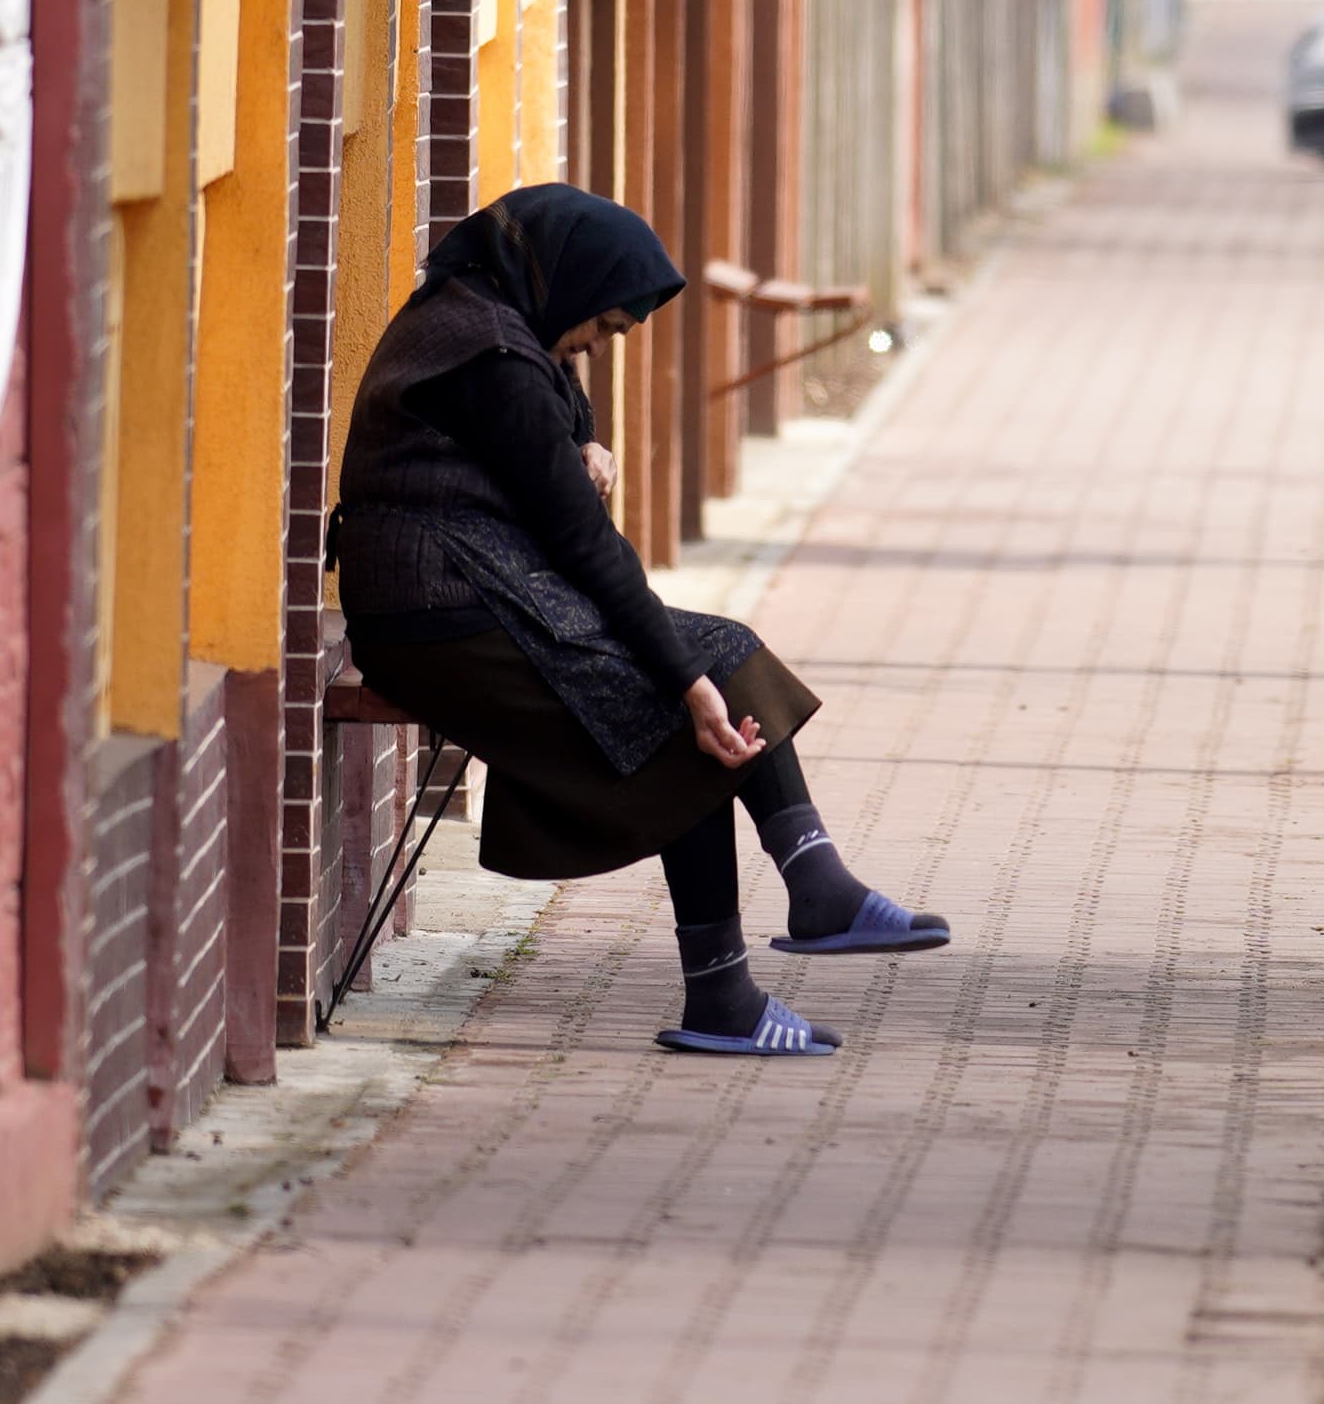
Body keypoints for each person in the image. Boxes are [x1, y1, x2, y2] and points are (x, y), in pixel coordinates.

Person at [330, 183, 946, 1055]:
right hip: (440, 623)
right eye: (603, 326)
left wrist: (580, 442)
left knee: (711, 661)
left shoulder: (489, 317)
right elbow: (583, 541)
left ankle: (805, 898)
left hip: (470, 597)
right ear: (569, 287)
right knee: (674, 710)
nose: (596, 345)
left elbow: (557, 426)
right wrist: (686, 683)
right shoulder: (493, 357)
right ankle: (751, 967)